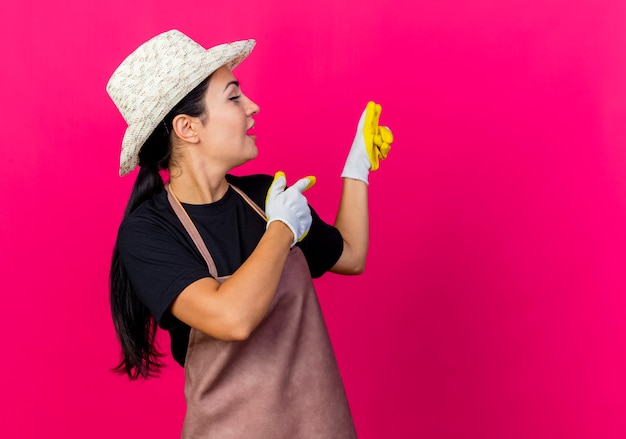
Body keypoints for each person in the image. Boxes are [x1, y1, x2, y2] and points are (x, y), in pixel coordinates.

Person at [106, 29, 393, 438]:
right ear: (188, 128)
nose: (252, 107)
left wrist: (356, 170)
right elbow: (231, 318)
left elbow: (350, 255)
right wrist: (280, 230)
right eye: (234, 97)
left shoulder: (265, 196)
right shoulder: (149, 231)